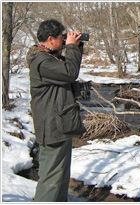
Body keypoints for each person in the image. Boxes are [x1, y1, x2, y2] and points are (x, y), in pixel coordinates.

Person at [26, 19, 86, 202]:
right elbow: (69, 73)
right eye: (62, 37)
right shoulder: (42, 62)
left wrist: (76, 46)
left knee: (60, 175)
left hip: (60, 124)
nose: (64, 40)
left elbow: (69, 68)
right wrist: (72, 48)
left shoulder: (50, 57)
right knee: (51, 178)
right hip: (52, 127)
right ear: (51, 39)